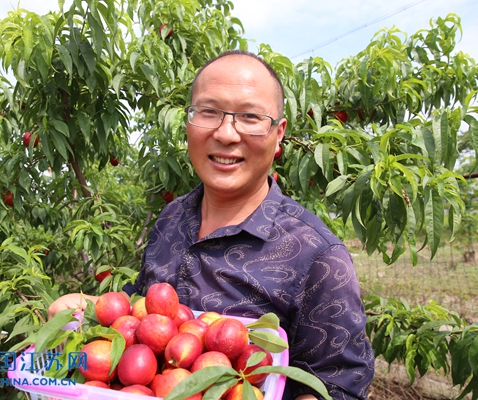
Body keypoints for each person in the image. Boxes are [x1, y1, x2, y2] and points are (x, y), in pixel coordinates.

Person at [49, 50, 374, 400]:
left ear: (279, 135)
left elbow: (339, 384)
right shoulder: (171, 217)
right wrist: (89, 306)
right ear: (188, 122)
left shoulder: (318, 256)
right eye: (208, 112)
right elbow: (145, 312)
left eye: (250, 116)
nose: (226, 134)